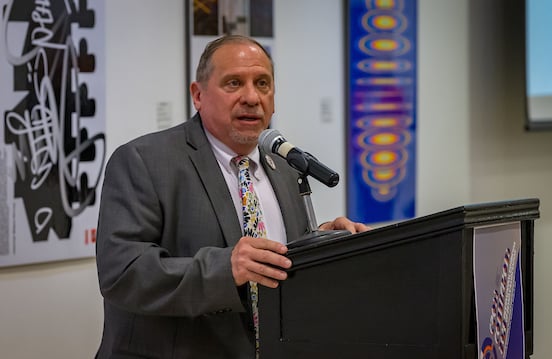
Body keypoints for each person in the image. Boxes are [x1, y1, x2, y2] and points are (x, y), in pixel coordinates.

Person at [94, 35, 369, 359]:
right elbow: (122, 274)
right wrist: (226, 270)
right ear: (198, 95)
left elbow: (277, 259)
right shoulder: (144, 161)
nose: (252, 97)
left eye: (263, 83)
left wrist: (321, 244)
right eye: (234, 83)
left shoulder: (284, 167)